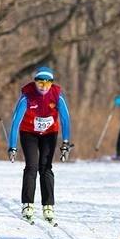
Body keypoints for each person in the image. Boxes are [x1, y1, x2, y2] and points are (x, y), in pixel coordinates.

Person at [7, 66, 72, 224]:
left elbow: (65, 120)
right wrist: (12, 147)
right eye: (40, 83)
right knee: (32, 166)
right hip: (29, 133)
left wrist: (65, 143)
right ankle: (27, 204)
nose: (43, 86)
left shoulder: (57, 96)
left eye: (47, 83)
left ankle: (48, 205)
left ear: (51, 83)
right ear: (35, 82)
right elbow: (16, 122)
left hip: (49, 134)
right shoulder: (27, 96)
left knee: (46, 167)